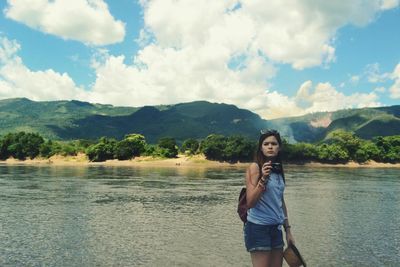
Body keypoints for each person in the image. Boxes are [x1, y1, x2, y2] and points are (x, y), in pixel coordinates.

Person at [244, 129, 295, 267]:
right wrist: (263, 179)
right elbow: (250, 203)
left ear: (279, 147)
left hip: (276, 229)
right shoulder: (254, 168)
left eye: (274, 143)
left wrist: (288, 231)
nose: (270, 146)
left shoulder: (278, 170)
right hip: (258, 228)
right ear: (261, 148)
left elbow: (281, 202)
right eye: (266, 144)